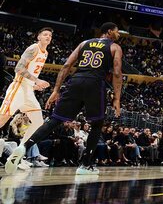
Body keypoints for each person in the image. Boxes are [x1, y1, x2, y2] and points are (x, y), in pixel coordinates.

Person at [5, 22, 122, 175]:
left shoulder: (84, 43)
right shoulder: (114, 47)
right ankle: (85, 165)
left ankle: (24, 147)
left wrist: (56, 90)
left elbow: (66, 66)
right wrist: (117, 98)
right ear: (109, 32)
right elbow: (117, 73)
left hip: (76, 81)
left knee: (55, 120)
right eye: (117, 31)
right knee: (97, 124)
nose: (118, 34)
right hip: (95, 83)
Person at [0, 27, 52, 151]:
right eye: (45, 34)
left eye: (50, 35)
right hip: (18, 87)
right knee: (2, 119)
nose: (48, 37)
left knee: (38, 122)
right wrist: (37, 80)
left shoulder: (45, 53)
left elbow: (31, 70)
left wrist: (33, 85)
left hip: (28, 90)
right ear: (38, 37)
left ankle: (20, 150)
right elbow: (18, 68)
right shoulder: (33, 48)